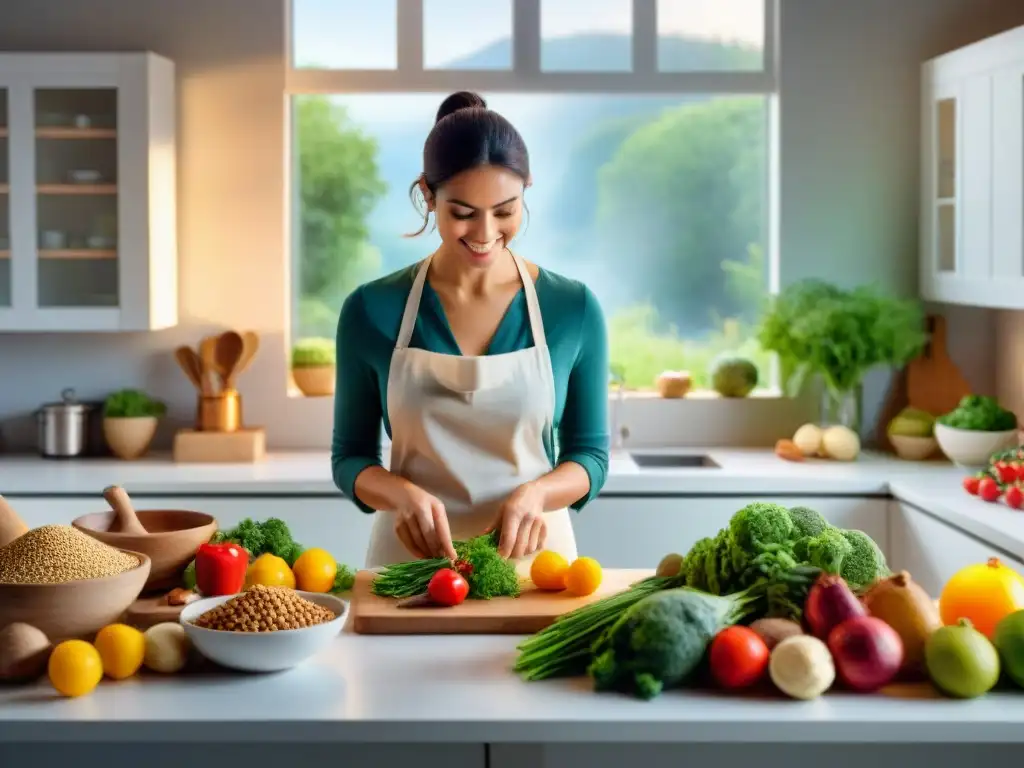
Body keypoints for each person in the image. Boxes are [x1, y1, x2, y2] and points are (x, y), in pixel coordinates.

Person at [331, 90, 610, 571]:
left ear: (527, 190)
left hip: (536, 567)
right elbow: (350, 457)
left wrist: (538, 492)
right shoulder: (370, 310)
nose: (484, 233)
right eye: (462, 213)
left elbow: (590, 454)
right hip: (409, 569)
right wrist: (399, 494)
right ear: (427, 194)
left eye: (505, 211)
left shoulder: (572, 308)